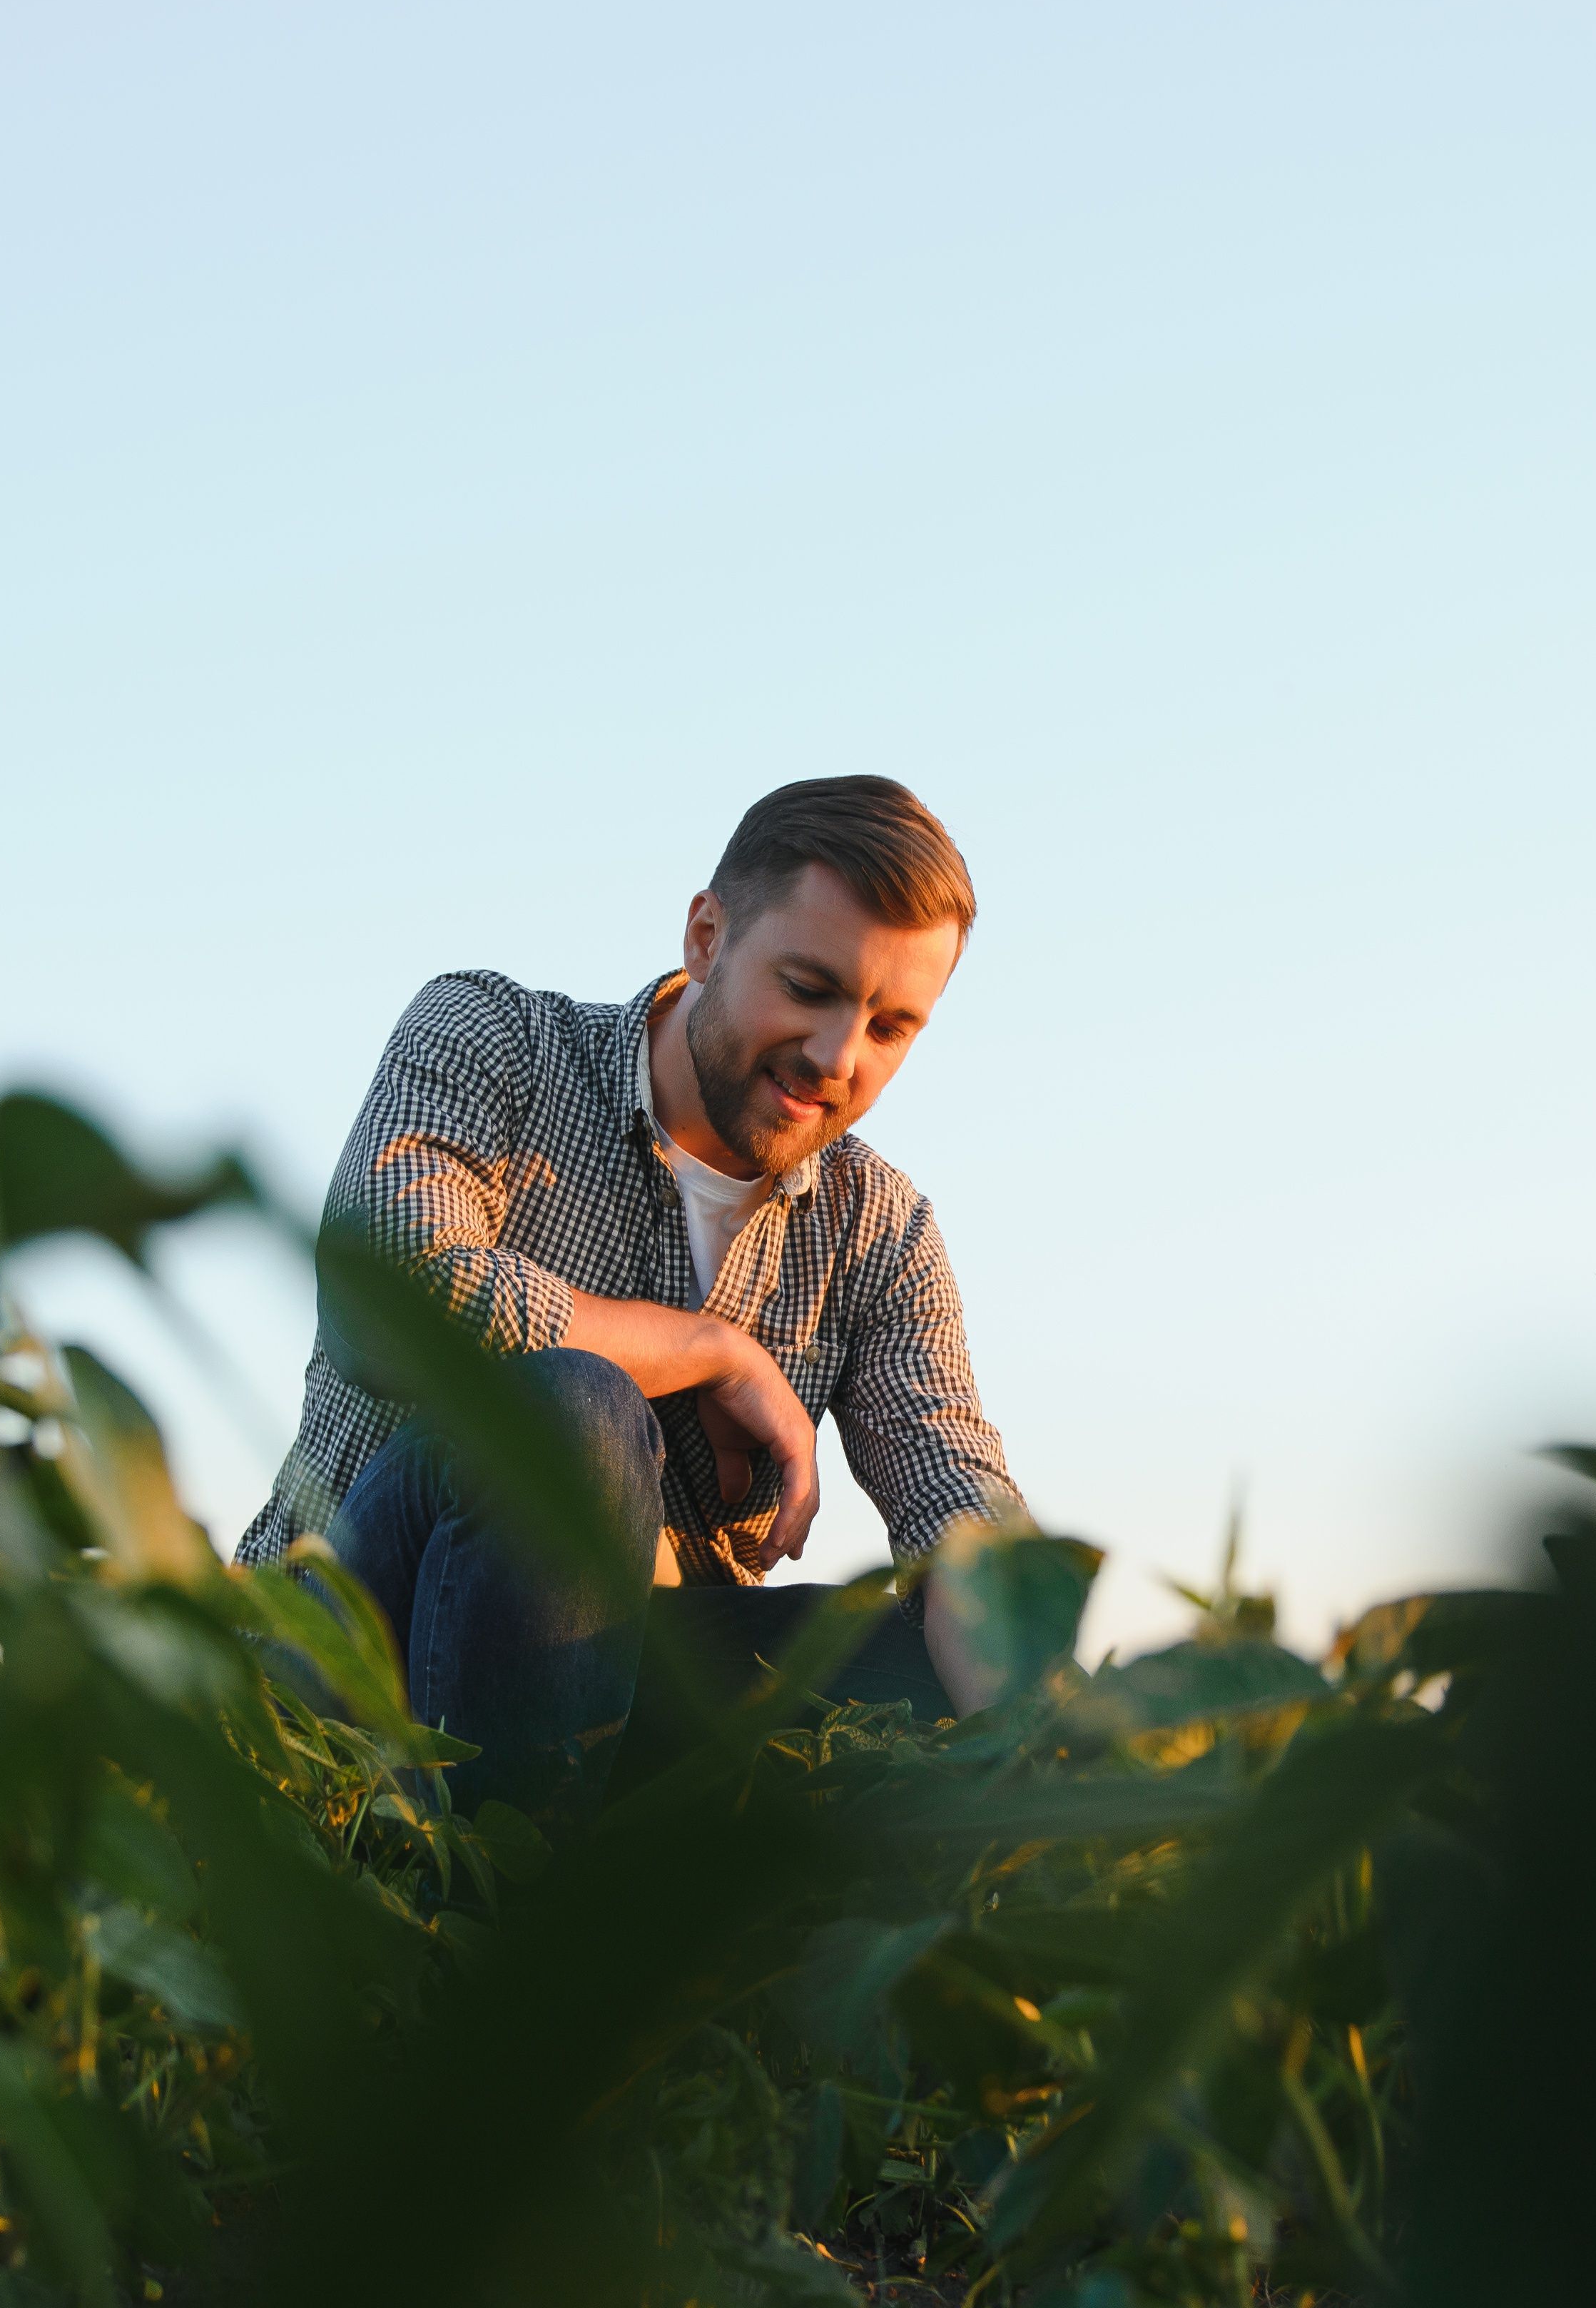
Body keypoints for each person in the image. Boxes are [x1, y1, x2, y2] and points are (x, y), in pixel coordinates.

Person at [234, 774, 1027, 1825]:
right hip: (350, 1645)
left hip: (608, 1694)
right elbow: (391, 1305)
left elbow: (957, 1503)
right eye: (810, 987)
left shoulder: (880, 1233)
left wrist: (1057, 1763)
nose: (839, 1056)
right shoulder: (495, 1040)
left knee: (928, 1654)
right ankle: (495, 1942)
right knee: (572, 1412)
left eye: (891, 1027)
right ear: (707, 937)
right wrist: (710, 1348)